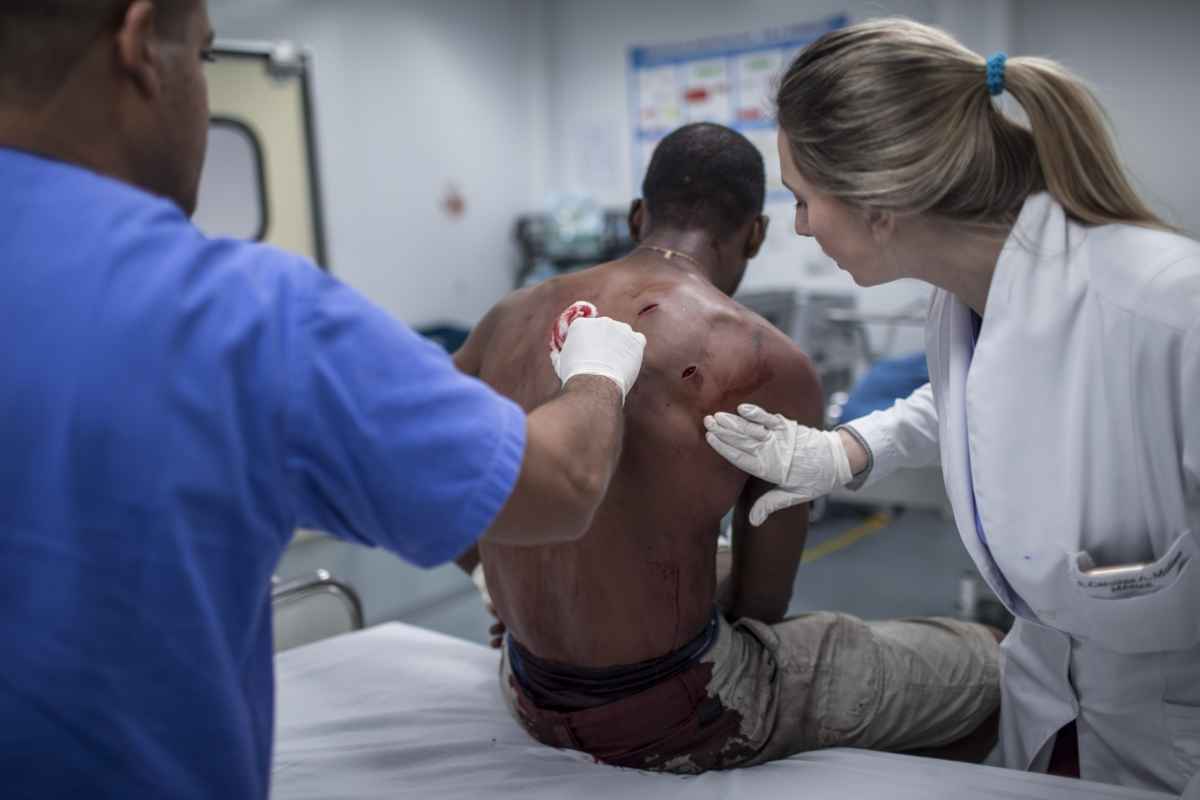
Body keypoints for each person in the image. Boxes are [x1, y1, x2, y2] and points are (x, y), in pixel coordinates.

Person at [0, 1, 646, 797]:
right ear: (140, 47)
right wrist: (598, 372)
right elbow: (563, 485)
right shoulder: (244, 318)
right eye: (202, 58)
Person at [704, 18, 1200, 795]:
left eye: (804, 200)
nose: (798, 226)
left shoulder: (1172, 307)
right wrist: (844, 451)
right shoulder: (965, 299)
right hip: (1055, 700)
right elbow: (980, 390)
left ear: (880, 204)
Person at [454, 122, 1001, 774]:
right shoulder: (766, 359)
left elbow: (431, 486)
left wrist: (505, 586)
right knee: (992, 667)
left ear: (637, 216)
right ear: (756, 233)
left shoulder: (504, 320)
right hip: (676, 714)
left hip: (526, 685)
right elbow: (761, 608)